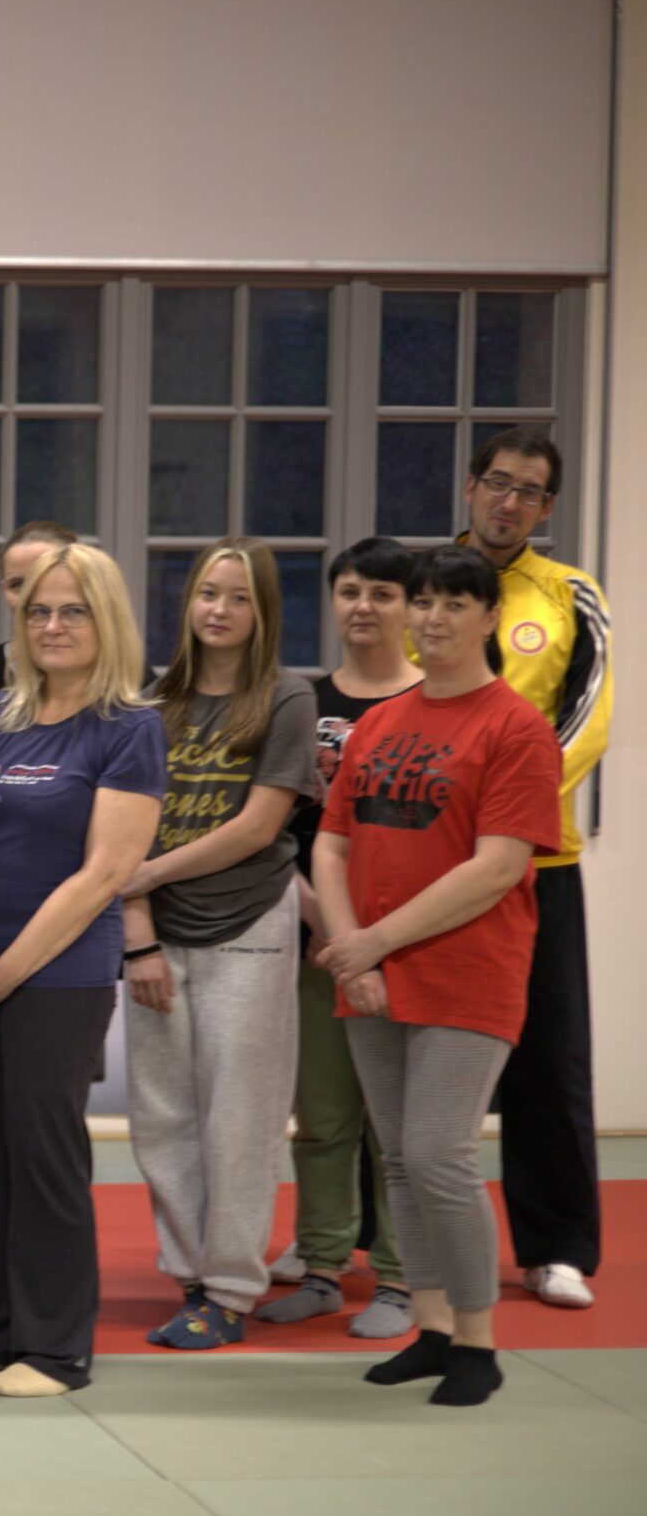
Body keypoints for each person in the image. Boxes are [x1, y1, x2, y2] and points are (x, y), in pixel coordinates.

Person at [314, 546, 566, 1406]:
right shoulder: (382, 723)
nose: (433, 617)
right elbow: (333, 842)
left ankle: (478, 1342)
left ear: (490, 619)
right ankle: (431, 1329)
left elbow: (497, 867)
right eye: (423, 602)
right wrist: (351, 947)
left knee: (438, 1154)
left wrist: (373, 942)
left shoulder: (516, 728)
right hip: (370, 968)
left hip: (468, 971)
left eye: (456, 604)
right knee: (399, 1160)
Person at [0, 543, 163, 1397]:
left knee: (45, 1158)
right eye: (39, 611)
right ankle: (1, 1330)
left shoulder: (130, 727)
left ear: (108, 620)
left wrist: (6, 971)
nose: (53, 626)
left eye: (73, 611)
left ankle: (57, 1349)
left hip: (57, 979)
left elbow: (103, 875)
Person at [120, 540, 316, 1349]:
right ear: (188, 602)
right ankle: (191, 1276)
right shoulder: (150, 702)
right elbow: (123, 828)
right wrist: (138, 933)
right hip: (158, 934)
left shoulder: (286, 697)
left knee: (239, 1118)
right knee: (162, 1115)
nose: (220, 610)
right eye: (209, 593)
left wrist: (147, 874)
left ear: (262, 609)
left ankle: (232, 1288)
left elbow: (259, 827)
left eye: (239, 597)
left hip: (248, 924)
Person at [452, 428, 614, 1309]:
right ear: (471, 486)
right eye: (498, 483)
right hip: (430, 862)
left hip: (536, 859)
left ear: (546, 508)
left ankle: (556, 1248)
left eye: (528, 492)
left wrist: (503, 813)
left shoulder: (570, 594)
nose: (508, 502)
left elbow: (586, 719)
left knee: (548, 1058)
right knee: (404, 1054)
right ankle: (378, 1246)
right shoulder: (425, 582)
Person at [259, 537, 420, 1335]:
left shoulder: (433, 702)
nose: (364, 606)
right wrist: (327, 924)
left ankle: (399, 1277)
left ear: (411, 608)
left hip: (408, 947)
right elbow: (278, 830)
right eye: (351, 591)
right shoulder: (304, 701)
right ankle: (323, 1265)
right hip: (319, 940)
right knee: (323, 1119)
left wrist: (378, 939)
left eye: (383, 594)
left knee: (398, 1128)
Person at [0, 520, 80, 692]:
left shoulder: (119, 675)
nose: (30, 597)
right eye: (18, 585)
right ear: (3, 590)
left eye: (43, 580)